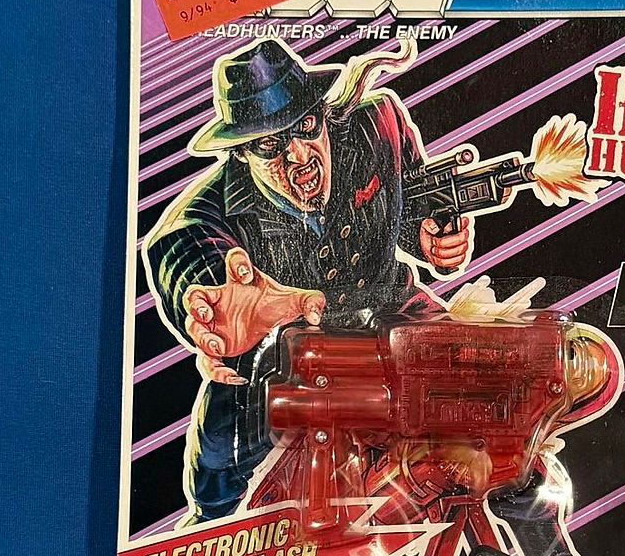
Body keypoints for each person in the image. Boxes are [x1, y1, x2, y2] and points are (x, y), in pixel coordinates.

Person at [144, 38, 471, 524]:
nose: (299, 156)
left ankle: (544, 550)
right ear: (242, 154)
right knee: (219, 460)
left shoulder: (376, 126)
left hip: (392, 315)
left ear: (323, 115)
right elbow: (183, 254)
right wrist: (216, 307)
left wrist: (434, 241)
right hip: (283, 357)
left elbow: (413, 205)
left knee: (493, 398)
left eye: (306, 127)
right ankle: (213, 530)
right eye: (270, 145)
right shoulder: (205, 214)